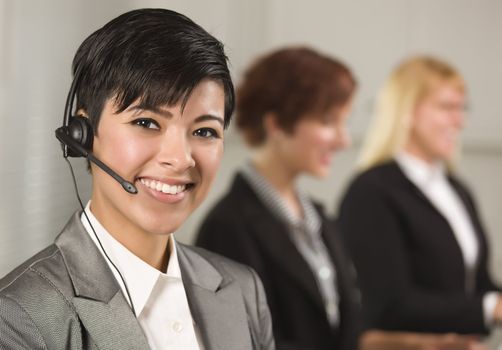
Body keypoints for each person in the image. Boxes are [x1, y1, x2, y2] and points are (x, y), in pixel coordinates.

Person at [0, 8, 274, 350]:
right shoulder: (17, 318)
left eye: (204, 131)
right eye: (146, 123)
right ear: (83, 134)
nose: (180, 158)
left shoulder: (243, 290)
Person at [196, 46, 359, 350]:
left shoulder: (320, 218)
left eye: (344, 122)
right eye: (328, 121)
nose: (343, 139)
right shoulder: (228, 226)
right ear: (276, 124)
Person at [338, 55, 502, 338]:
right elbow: (388, 304)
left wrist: (492, 303)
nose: (459, 121)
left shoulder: (456, 189)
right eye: (447, 107)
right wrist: (491, 308)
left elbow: (480, 283)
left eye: (463, 108)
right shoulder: (371, 191)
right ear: (408, 111)